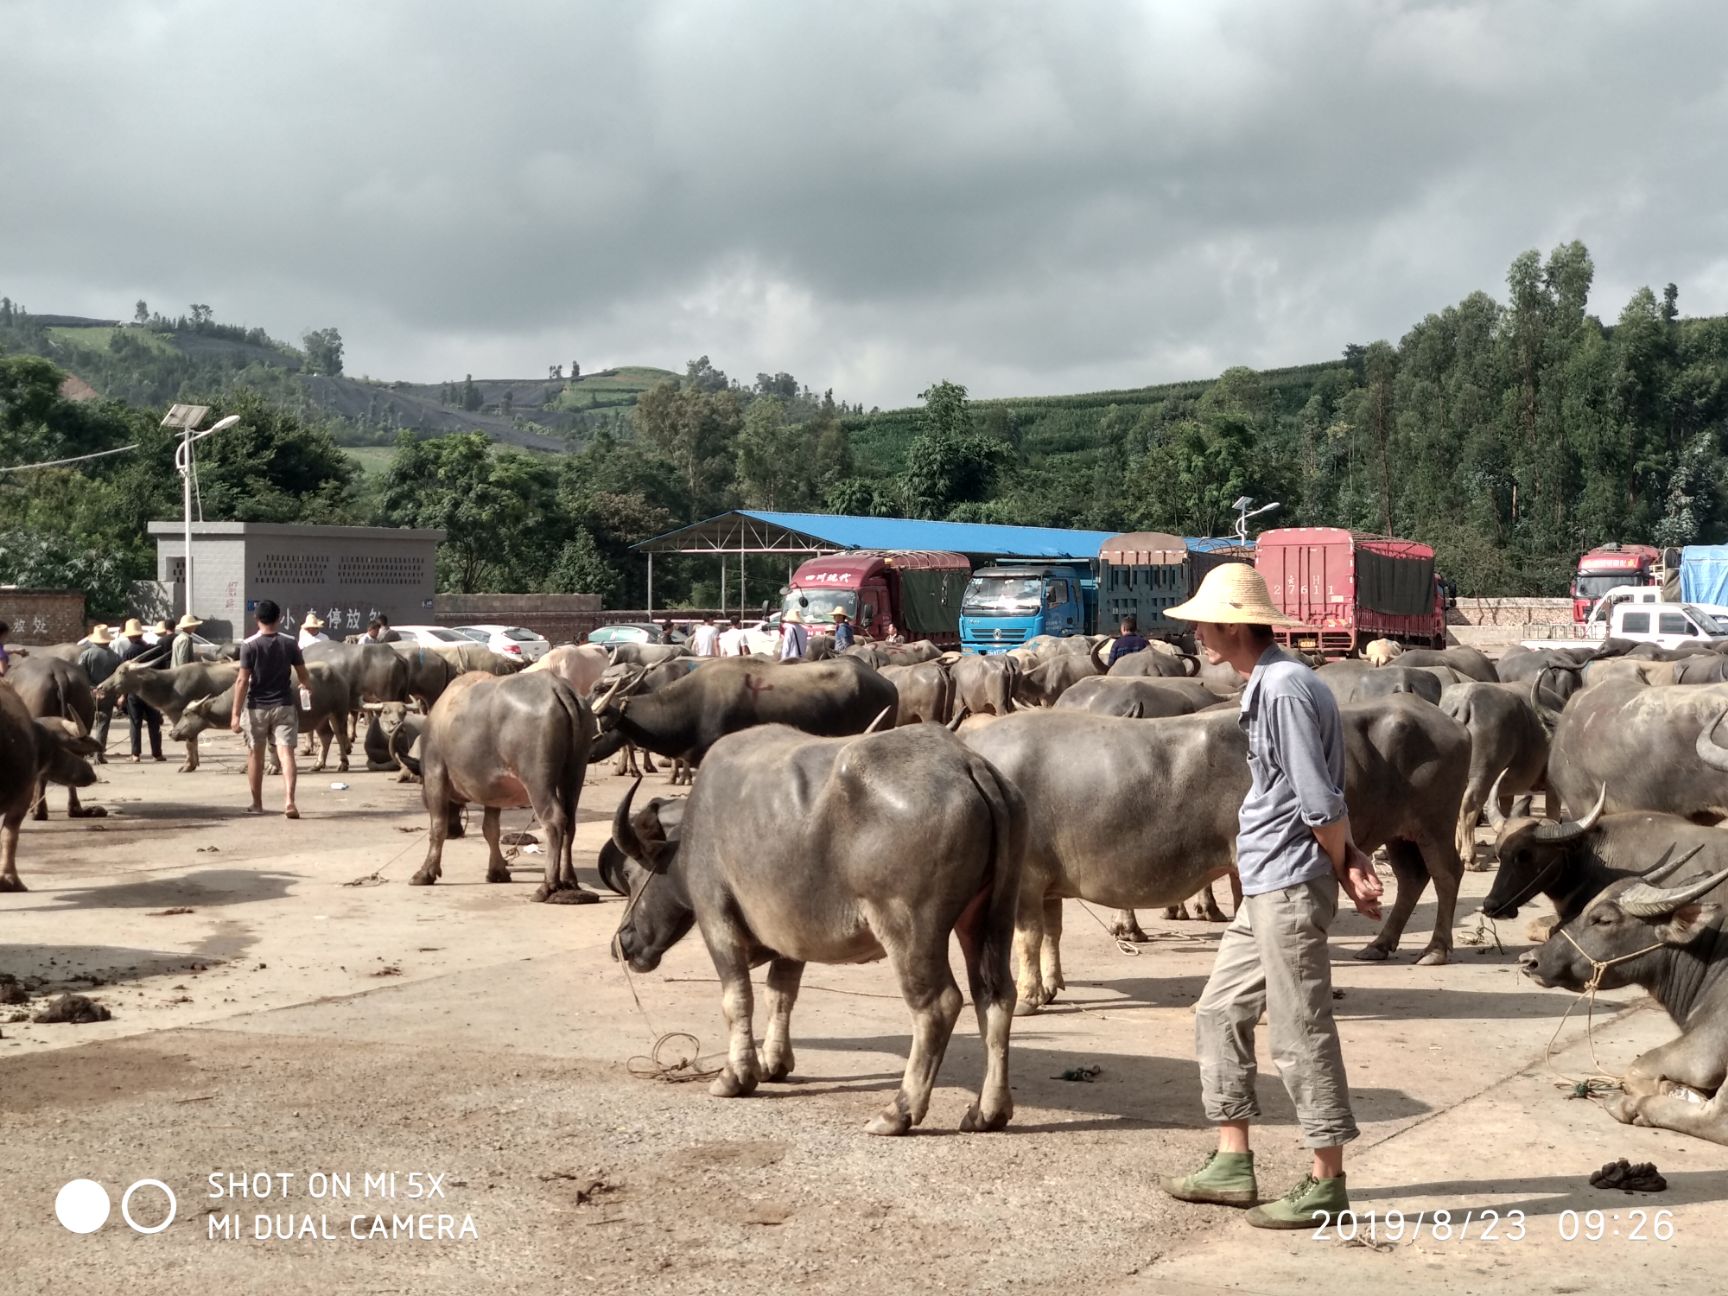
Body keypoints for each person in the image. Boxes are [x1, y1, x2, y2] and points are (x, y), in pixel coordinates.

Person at [1161, 563, 1383, 1229]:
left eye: (1203, 622)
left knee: (1298, 1029)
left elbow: (1317, 797)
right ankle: (1233, 1161)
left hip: (1287, 882)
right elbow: (1311, 796)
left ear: (1231, 626)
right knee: (1218, 1010)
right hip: (1267, 879)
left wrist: (1344, 863)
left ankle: (1326, 1180)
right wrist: (1349, 855)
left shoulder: (1284, 688)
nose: (1196, 632)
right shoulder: (1271, 682)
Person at [231, 599, 314, 819]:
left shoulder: (249, 645)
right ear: (279, 619)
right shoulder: (290, 643)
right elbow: (303, 675)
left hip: (256, 707)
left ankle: (257, 803)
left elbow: (241, 680)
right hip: (284, 705)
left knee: (255, 755)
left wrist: (235, 714)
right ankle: (289, 801)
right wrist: (306, 685)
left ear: (256, 619)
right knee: (286, 753)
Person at [117, 618, 166, 761]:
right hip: (153, 692)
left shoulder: (128, 653)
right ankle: (157, 753)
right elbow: (163, 671)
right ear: (141, 634)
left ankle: (135, 754)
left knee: (135, 723)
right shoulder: (155, 650)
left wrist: (122, 696)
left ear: (130, 636)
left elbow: (124, 677)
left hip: (134, 693)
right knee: (154, 722)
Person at [77, 624, 122, 762]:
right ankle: (99, 754)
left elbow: (80, 674)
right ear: (108, 640)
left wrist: (92, 688)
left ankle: (84, 752)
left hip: (89, 694)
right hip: (107, 694)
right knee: (103, 724)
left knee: (86, 723)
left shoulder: (86, 655)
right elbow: (118, 678)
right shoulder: (115, 657)